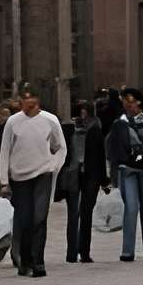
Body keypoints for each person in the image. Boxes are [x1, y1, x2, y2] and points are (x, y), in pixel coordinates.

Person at [0, 84, 66, 276]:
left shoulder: (50, 120)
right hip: (19, 177)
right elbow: (5, 151)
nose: (28, 104)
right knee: (25, 219)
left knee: (39, 218)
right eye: (24, 100)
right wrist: (4, 180)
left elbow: (60, 147)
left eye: (31, 100)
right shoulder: (13, 122)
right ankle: (25, 260)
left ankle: (38, 261)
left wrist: (54, 165)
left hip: (42, 175)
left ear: (37, 102)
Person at [106, 86, 143, 263]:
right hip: (127, 171)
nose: (128, 105)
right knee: (131, 208)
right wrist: (113, 175)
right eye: (125, 102)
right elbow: (113, 150)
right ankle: (127, 251)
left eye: (131, 101)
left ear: (139, 102)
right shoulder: (119, 123)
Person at [60, 99, 110, 263]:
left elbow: (100, 156)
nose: (83, 115)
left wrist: (104, 180)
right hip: (73, 175)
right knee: (73, 214)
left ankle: (84, 251)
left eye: (85, 111)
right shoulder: (68, 130)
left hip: (91, 175)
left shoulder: (95, 130)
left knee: (86, 213)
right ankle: (72, 252)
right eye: (81, 112)